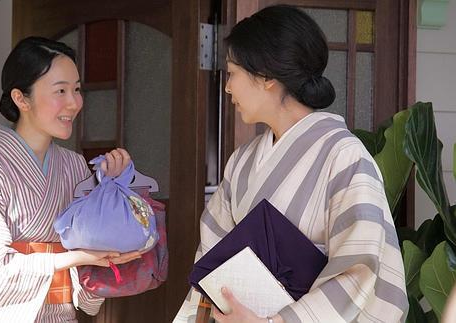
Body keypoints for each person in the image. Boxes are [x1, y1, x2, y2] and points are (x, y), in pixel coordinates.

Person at [174, 5, 408, 323]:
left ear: (267, 76)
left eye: (232, 74)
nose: (227, 88)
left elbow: (358, 271)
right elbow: (212, 263)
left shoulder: (344, 156)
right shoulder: (241, 163)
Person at [0, 36, 141, 322]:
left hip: (59, 315)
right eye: (60, 91)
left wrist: (112, 189)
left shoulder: (73, 166)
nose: (74, 103)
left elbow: (96, 248)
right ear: (20, 98)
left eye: (76, 89)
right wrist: (73, 258)